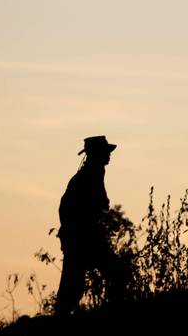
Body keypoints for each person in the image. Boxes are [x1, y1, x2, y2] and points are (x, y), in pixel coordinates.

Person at [55, 135, 127, 315]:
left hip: (81, 236)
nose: (109, 156)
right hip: (83, 236)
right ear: (96, 155)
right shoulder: (89, 175)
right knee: (114, 273)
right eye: (105, 152)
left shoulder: (90, 174)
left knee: (73, 284)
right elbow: (77, 207)